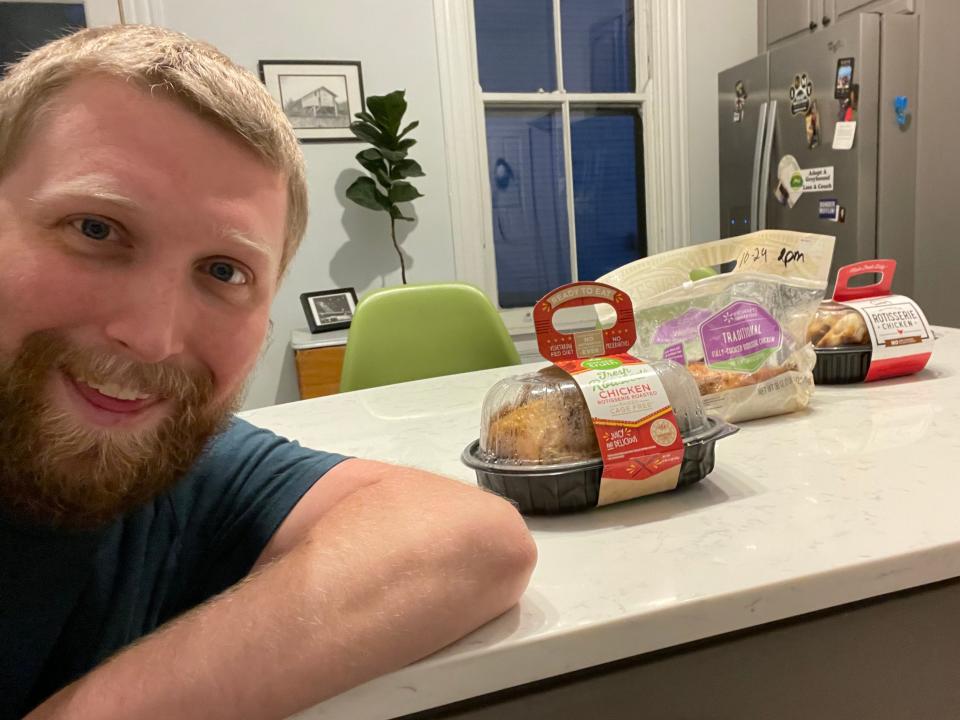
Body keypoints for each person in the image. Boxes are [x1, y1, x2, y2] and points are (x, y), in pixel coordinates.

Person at [0, 24, 537, 720]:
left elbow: (472, 541)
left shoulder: (169, 461)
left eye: (223, 271)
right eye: (95, 229)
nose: (153, 338)